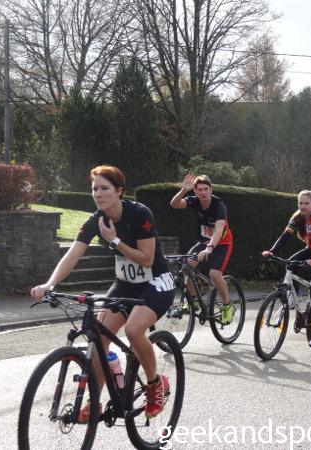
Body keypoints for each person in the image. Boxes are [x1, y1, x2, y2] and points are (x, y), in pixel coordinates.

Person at [30, 165, 175, 421]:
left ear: (119, 191)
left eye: (104, 188)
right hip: (125, 284)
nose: (98, 194)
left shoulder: (139, 213)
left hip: (155, 281)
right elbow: (72, 255)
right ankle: (94, 401)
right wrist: (50, 284)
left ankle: (155, 385)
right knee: (98, 338)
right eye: (94, 188)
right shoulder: (96, 220)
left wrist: (115, 240)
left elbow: (147, 258)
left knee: (133, 330)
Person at [262, 190, 311, 348]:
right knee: (290, 263)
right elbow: (285, 236)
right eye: (300, 203)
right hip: (310, 249)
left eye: (306, 203)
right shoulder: (297, 217)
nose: (303, 206)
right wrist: (272, 251)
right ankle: (294, 294)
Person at [169, 174, 234, 324]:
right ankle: (194, 300)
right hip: (204, 242)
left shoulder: (219, 205)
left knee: (215, 275)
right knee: (186, 267)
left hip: (222, 243)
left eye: (206, 189)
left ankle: (227, 307)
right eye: (200, 190)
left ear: (211, 189)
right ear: (196, 191)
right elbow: (174, 204)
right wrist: (183, 190)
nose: (203, 192)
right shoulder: (194, 201)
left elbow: (219, 230)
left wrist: (210, 248)